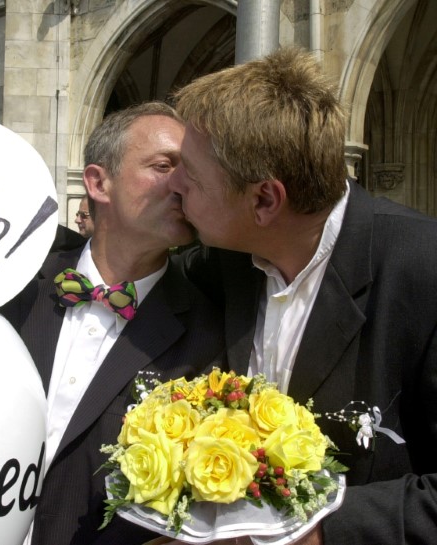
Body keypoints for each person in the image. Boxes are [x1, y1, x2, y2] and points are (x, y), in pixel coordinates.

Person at [168, 47, 437, 544]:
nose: (174, 185)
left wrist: (315, 534)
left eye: (191, 173)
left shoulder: (423, 271)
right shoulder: (221, 263)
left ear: (265, 199)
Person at [0, 101, 225, 545]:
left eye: (190, 170)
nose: (182, 183)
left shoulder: (209, 336)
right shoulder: (13, 285)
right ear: (98, 182)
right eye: (163, 165)